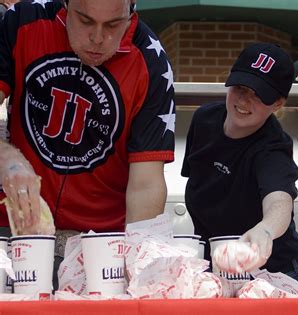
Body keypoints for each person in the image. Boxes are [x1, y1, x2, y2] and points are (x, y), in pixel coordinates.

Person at [0, 0, 175, 284]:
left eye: (112, 25)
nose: (97, 38)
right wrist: (7, 157)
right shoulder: (23, 21)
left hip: (100, 248)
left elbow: (145, 185)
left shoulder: (150, 59)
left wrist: (138, 264)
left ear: (132, 9)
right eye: (84, 20)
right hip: (15, 230)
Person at [181, 42, 298, 282]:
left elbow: (279, 202)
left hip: (277, 274)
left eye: (259, 95)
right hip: (215, 269)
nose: (244, 100)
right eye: (241, 87)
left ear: (278, 103)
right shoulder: (204, 120)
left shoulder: (273, 148)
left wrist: (265, 230)